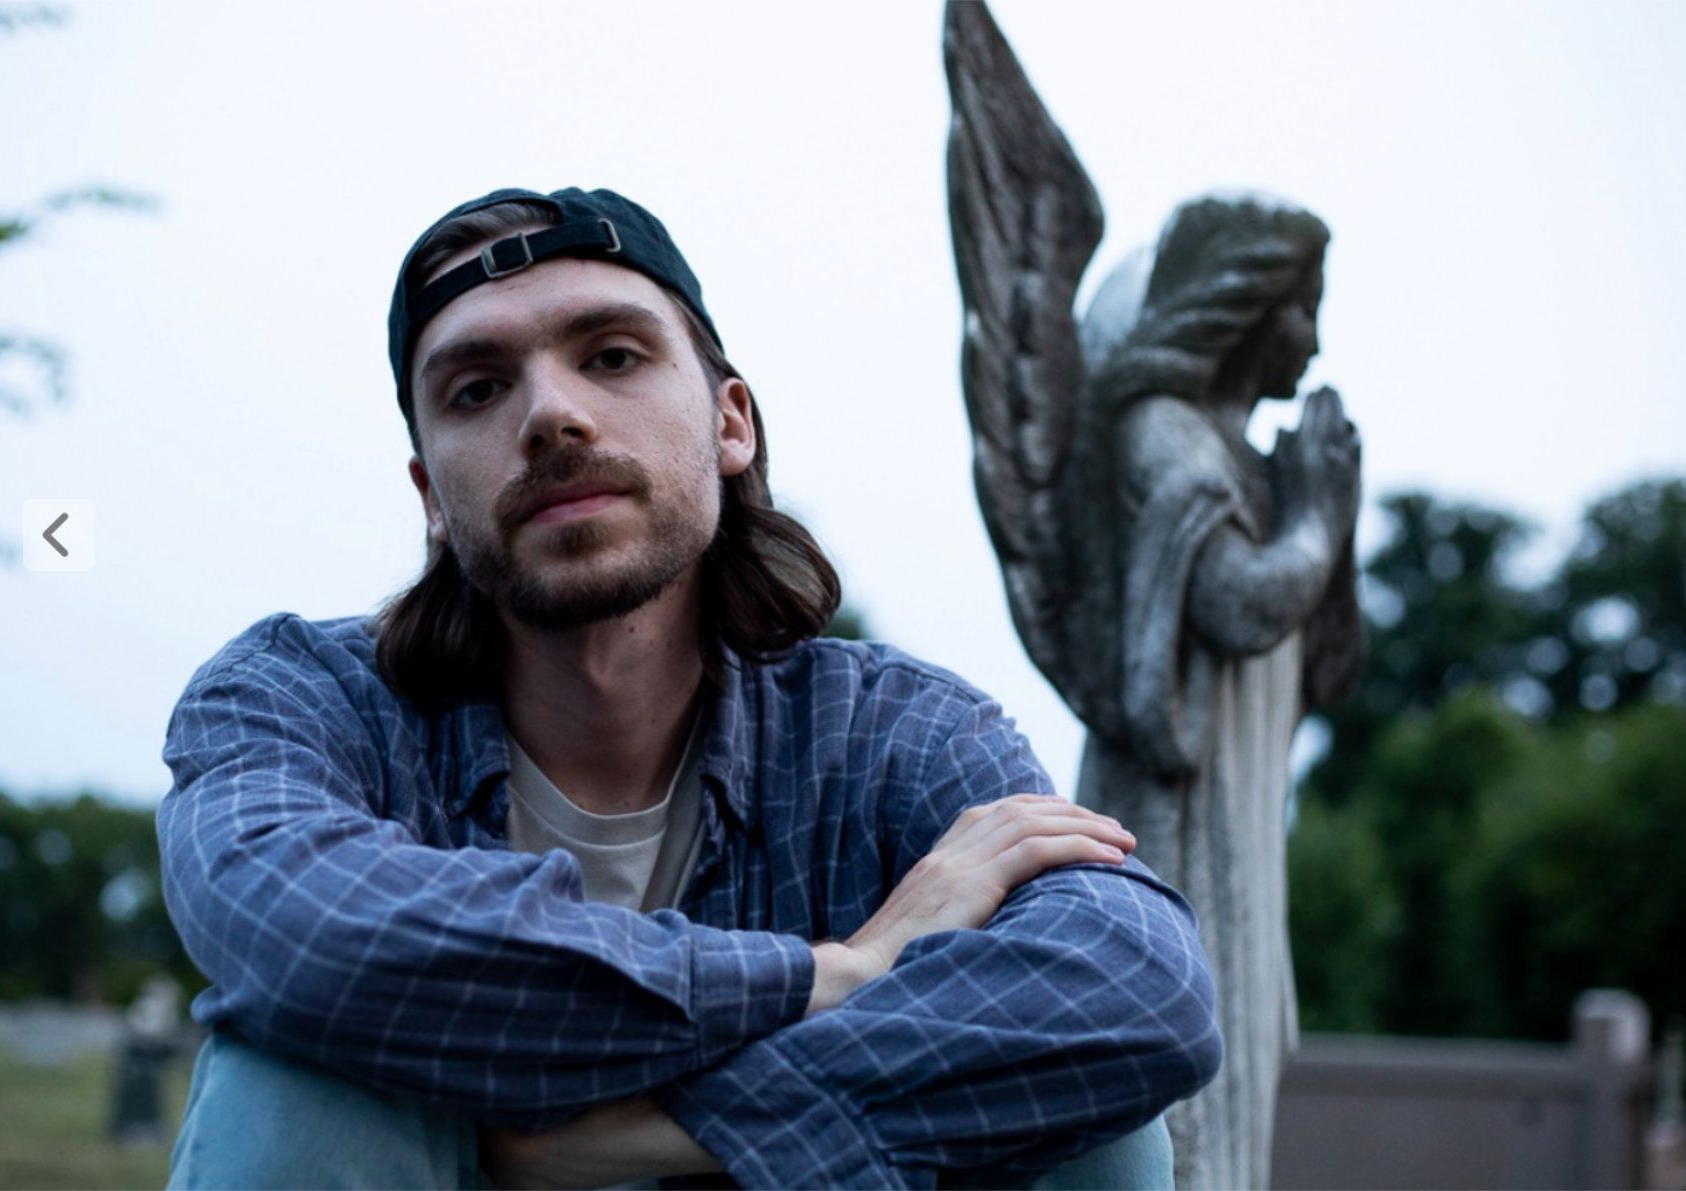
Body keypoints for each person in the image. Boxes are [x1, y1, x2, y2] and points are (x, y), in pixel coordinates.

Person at [157, 186, 1223, 1190]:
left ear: (730, 425)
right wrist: (830, 975)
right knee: (289, 1069)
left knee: (1097, 1110)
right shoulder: (297, 698)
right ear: (433, 493)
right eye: (478, 389)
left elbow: (1142, 987)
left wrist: (623, 1141)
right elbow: (303, 936)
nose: (551, 417)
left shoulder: (898, 731)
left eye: (612, 356)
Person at [1070, 195, 1364, 1190]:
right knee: (1182, 1079)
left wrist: (1330, 520)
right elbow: (1241, 604)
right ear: (1240, 304)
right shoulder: (1159, 430)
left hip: (1246, 829)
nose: (1315, 341)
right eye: (1302, 307)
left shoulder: (1258, 466)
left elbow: (1329, 669)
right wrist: (1318, 521)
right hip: (1174, 829)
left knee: (1244, 1064)